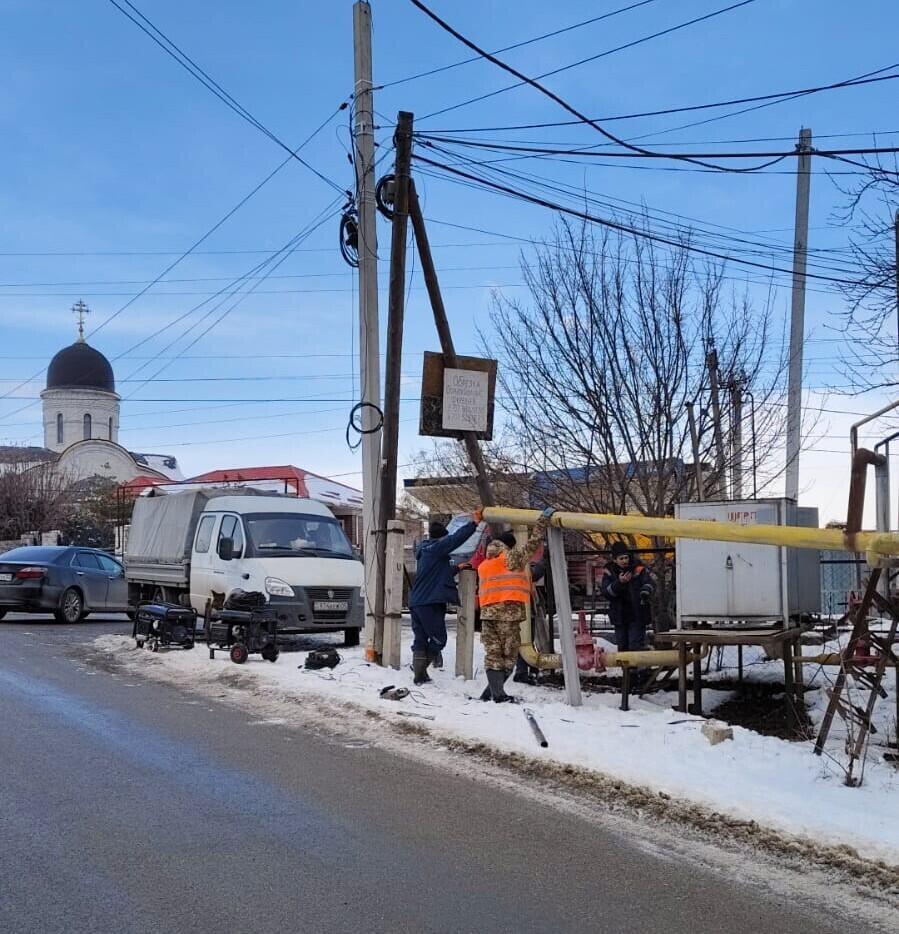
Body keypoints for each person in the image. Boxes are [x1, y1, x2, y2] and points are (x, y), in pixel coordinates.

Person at [477, 508, 554, 703]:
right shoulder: (510, 558)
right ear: (510, 547)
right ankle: (498, 695)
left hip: (488, 615)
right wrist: (543, 520)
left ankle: (490, 694)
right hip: (507, 615)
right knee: (509, 658)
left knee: (493, 654)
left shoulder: (486, 563)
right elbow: (532, 544)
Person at [409, 510, 481, 685]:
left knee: (420, 639)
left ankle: (420, 675)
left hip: (416, 602)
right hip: (430, 602)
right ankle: (420, 672)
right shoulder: (437, 548)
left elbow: (437, 573)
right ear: (441, 538)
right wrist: (474, 524)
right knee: (439, 639)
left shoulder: (425, 551)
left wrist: (457, 568)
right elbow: (455, 539)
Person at [600, 540, 654, 652]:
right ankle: (627, 669)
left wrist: (645, 591)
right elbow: (607, 593)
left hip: (637, 614)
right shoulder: (609, 572)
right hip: (619, 616)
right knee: (623, 647)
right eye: (621, 558)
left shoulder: (638, 569)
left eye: (626, 557)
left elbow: (650, 583)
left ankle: (639, 669)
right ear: (614, 560)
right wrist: (619, 583)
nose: (625, 561)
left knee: (636, 646)